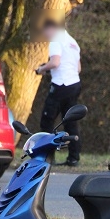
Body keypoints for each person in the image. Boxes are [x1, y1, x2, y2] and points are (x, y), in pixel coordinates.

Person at [36, 19, 82, 166]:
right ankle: (73, 158)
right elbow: (78, 68)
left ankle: (48, 157)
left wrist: (42, 69)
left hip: (61, 84)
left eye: (45, 33)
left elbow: (55, 62)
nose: (46, 37)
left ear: (50, 29)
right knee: (70, 121)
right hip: (74, 84)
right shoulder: (73, 42)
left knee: (47, 121)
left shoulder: (56, 40)